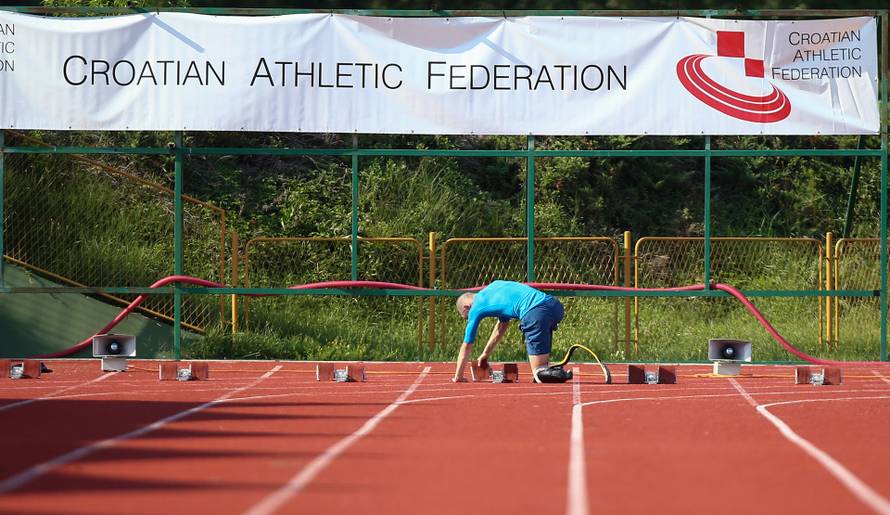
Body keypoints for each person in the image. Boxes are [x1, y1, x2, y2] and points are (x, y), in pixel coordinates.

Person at [452, 280, 571, 383]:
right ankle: (549, 370)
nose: (469, 319)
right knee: (542, 367)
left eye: (466, 317)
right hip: (554, 306)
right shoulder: (494, 286)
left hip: (534, 312)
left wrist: (458, 376)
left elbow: (467, 344)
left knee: (539, 373)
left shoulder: (475, 307)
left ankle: (557, 373)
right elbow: (501, 326)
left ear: (467, 307)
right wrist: (485, 354)